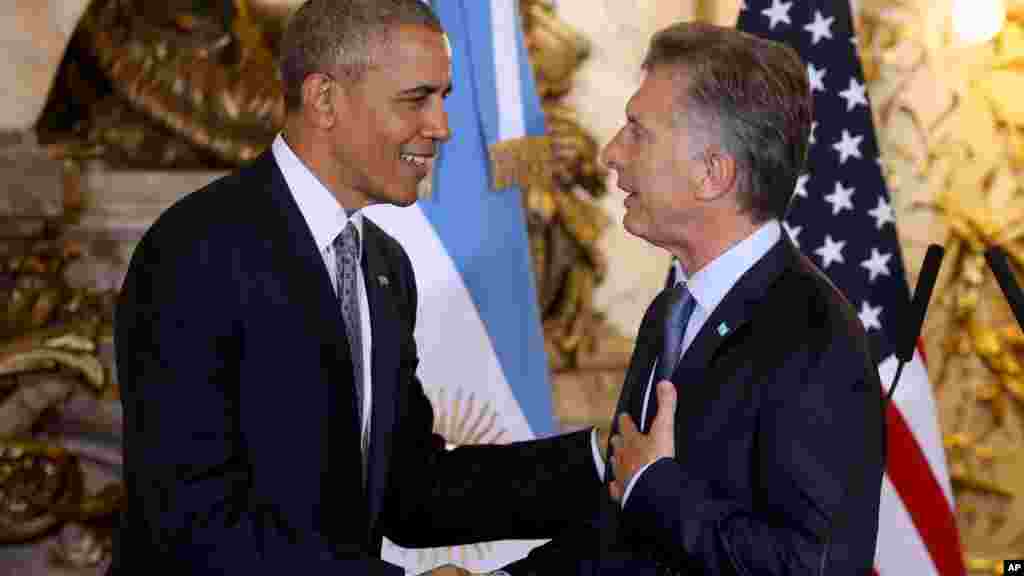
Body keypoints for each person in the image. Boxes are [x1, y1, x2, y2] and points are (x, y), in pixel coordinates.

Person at [110, 1, 607, 574]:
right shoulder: (197, 251)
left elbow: (412, 490)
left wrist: (601, 460)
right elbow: (192, 520)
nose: (441, 126)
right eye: (416, 98)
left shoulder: (383, 266)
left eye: (443, 98)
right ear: (324, 99)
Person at [503, 21, 886, 575]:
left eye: (638, 131)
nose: (611, 152)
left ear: (712, 174)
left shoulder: (814, 336)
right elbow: (625, 534)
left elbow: (815, 567)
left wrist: (658, 488)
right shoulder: (673, 310)